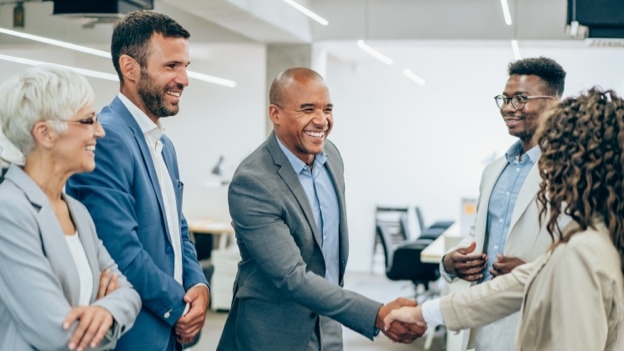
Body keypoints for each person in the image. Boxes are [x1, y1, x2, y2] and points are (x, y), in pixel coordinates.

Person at [385, 87, 624, 350]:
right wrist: (424, 313)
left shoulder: (582, 253)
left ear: (579, 166)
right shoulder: (600, 237)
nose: (547, 169)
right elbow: (519, 283)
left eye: (555, 155)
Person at [216, 67, 424, 351]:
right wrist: (376, 314)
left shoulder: (332, 158)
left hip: (328, 327)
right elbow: (292, 277)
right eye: (307, 109)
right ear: (275, 114)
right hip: (272, 335)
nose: (322, 120)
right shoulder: (253, 181)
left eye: (327, 109)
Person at [66, 10, 209, 351]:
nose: (184, 79)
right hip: (136, 333)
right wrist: (181, 305)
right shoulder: (106, 136)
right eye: (171, 66)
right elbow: (120, 249)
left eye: (185, 66)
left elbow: (178, 231)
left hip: (169, 330)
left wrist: (199, 285)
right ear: (130, 68)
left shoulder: (164, 145)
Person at [0, 65, 141, 351]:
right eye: (88, 120)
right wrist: (110, 313)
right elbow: (59, 334)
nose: (100, 132)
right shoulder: (9, 211)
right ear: (46, 133)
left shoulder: (76, 211)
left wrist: (106, 311)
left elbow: (129, 293)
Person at [439, 56, 567, 350]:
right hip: (481, 323)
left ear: (554, 103)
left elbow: (579, 252)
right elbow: (477, 235)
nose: (508, 108)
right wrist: (450, 262)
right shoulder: (494, 170)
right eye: (505, 99)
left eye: (521, 99)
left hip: (533, 320)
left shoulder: (570, 171)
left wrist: (532, 273)